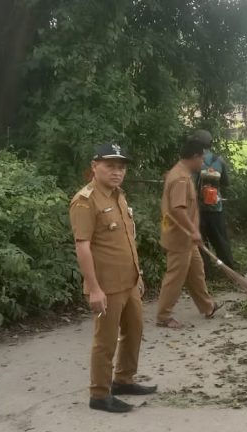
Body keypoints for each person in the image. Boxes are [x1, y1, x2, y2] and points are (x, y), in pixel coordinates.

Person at [69, 143, 157, 414]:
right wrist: (94, 289)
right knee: (105, 340)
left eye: (121, 167)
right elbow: (82, 246)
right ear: (95, 166)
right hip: (106, 285)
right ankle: (99, 394)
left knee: (135, 330)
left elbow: (128, 239)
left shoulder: (119, 196)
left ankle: (123, 379)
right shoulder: (85, 201)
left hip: (128, 281)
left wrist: (138, 274)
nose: (117, 172)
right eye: (110, 166)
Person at [157, 138, 222, 328]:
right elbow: (178, 209)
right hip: (180, 237)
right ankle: (163, 316)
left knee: (196, 271)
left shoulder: (180, 173)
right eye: (202, 159)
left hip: (186, 238)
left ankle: (207, 306)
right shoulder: (180, 178)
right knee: (175, 277)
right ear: (194, 157)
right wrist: (194, 231)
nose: (203, 163)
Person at [190, 129, 238, 274]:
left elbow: (190, 184)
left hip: (198, 209)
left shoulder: (195, 161)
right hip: (216, 208)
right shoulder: (219, 160)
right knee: (221, 240)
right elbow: (226, 183)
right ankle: (229, 270)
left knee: (201, 242)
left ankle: (206, 271)